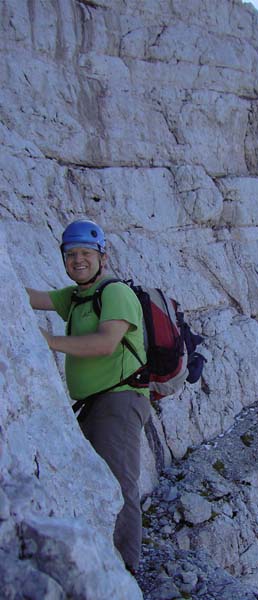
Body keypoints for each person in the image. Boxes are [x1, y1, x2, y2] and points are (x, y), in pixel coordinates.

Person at [26, 218, 150, 575]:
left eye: (85, 253)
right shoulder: (78, 296)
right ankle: (102, 561)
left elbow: (105, 342)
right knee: (101, 483)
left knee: (119, 482)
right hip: (94, 404)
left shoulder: (115, 294)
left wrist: (48, 341)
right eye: (71, 254)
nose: (78, 260)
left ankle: (125, 570)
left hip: (120, 401)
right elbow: (34, 298)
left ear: (102, 257)